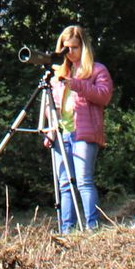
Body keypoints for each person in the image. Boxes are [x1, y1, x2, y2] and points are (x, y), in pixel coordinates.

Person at [42, 24, 113, 233]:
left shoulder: (97, 70)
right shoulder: (57, 74)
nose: (70, 53)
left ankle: (92, 227)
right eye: (66, 48)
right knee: (65, 184)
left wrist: (78, 84)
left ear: (83, 47)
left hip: (84, 132)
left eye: (74, 47)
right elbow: (50, 104)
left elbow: (104, 96)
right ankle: (67, 229)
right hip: (61, 132)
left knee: (83, 181)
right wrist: (50, 126)